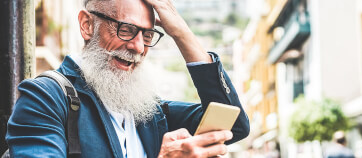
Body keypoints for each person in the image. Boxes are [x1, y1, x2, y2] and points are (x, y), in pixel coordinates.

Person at [5, 0, 250, 157]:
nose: (137, 47)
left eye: (147, 35)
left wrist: (181, 32)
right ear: (87, 25)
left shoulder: (149, 113)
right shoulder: (45, 97)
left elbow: (233, 124)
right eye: (125, 29)